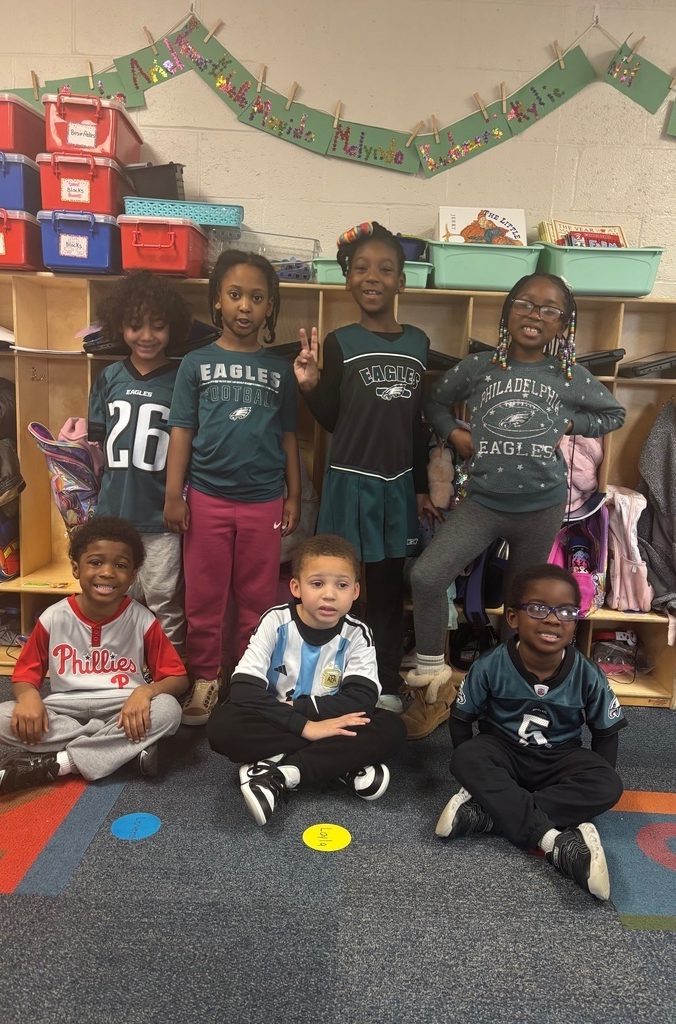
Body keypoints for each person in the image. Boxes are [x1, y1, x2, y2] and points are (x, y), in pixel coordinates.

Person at [405, 273, 626, 738]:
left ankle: (507, 696)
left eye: (549, 309)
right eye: (525, 303)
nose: (535, 315)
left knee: (521, 602)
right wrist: (454, 432)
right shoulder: (478, 367)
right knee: (426, 575)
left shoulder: (568, 375)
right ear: (508, 310)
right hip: (483, 502)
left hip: (541, 507)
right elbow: (435, 402)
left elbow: (613, 414)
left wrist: (571, 422)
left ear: (563, 324)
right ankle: (433, 685)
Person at [294, 222, 441, 714]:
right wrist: (310, 387)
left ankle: (384, 683)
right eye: (361, 268)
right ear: (348, 279)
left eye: (385, 268)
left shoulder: (419, 342)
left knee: (385, 592)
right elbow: (335, 419)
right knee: (334, 587)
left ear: (402, 281)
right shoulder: (340, 342)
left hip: (396, 485)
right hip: (348, 483)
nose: (372, 276)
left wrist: (420, 486)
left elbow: (417, 424)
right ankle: (330, 678)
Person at [164, 250, 301, 727]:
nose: (245, 306)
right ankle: (206, 677)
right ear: (218, 301)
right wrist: (173, 494)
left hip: (264, 501)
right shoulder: (195, 364)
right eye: (236, 295)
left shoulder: (280, 370)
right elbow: (181, 431)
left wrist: (294, 495)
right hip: (207, 499)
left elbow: (288, 438)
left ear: (270, 307)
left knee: (257, 600)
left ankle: (248, 678)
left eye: (257, 298)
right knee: (203, 598)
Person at [435, 564, 626, 901]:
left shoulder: (587, 674)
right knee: (466, 757)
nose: (553, 620)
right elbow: (461, 721)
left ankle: (489, 813)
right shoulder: (490, 664)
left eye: (566, 611)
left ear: (575, 622)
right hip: (503, 754)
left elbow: (606, 735)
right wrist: (470, 777)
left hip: (559, 758)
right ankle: (554, 841)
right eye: (539, 608)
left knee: (608, 783)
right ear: (512, 617)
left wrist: (593, 780)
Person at [207, 534, 406, 825]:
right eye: (317, 584)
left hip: (320, 718)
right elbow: (244, 690)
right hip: (278, 717)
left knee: (392, 728)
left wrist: (303, 713)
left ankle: (280, 773)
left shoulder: (357, 632)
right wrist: (307, 728)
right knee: (221, 725)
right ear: (296, 587)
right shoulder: (274, 621)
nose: (329, 595)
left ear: (355, 591)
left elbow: (361, 699)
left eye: (341, 585)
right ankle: (342, 764)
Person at [0, 517, 187, 794]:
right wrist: (29, 696)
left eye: (121, 565)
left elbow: (177, 678)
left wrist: (145, 692)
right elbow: (24, 676)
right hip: (65, 709)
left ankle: (62, 762)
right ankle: (121, 750)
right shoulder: (53, 617)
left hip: (123, 707)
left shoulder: (143, 619)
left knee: (168, 710)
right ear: (76, 568)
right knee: (0, 719)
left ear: (132, 576)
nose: (107, 572)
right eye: (95, 562)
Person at [88, 270, 192, 656]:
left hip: (162, 521)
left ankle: (170, 670)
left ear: (172, 327)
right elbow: (96, 450)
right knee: (114, 597)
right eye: (135, 325)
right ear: (120, 326)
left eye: (157, 325)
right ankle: (115, 665)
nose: (146, 335)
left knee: (164, 599)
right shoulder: (108, 377)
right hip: (113, 516)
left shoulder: (182, 379)